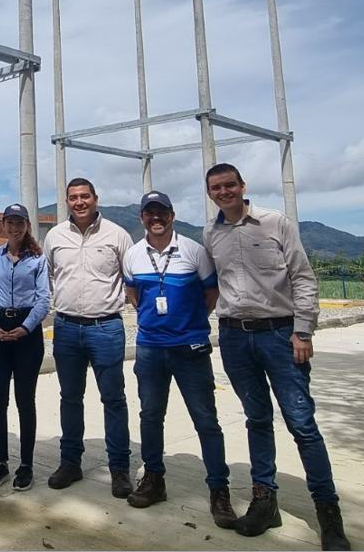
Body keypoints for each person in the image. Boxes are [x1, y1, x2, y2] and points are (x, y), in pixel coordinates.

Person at [203, 163, 350, 552]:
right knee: (257, 420)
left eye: (229, 185)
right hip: (234, 339)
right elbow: (214, 285)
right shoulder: (211, 232)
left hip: (281, 336)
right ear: (209, 193)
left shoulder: (275, 222)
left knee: (302, 423)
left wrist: (303, 330)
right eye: (216, 187)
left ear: (242, 186)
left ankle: (328, 514)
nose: (224, 192)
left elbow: (303, 277)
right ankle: (265, 499)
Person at [122, 190, 236, 528]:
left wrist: (190, 322)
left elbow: (211, 294)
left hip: (190, 348)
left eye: (162, 213)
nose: (156, 219)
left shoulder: (193, 251)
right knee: (150, 416)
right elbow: (133, 295)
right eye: (149, 213)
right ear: (142, 218)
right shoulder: (133, 255)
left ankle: (219, 489)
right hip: (150, 348)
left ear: (172, 215)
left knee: (206, 420)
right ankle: (154, 479)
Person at [43, 177, 135, 498]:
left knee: (113, 399)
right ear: (67, 201)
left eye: (85, 196)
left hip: (106, 328)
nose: (79, 202)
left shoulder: (117, 235)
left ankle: (120, 468)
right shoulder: (54, 236)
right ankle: (70, 463)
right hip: (66, 328)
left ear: (96, 198)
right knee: (70, 398)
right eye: (73, 197)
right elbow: (51, 276)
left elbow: (131, 277)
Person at [0, 204, 50, 492]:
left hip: (27, 331)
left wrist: (26, 328)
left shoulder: (38, 258)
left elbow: (44, 298)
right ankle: (0, 463)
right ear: (3, 225)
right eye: (10, 222)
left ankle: (26, 465)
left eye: (19, 223)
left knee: (25, 401)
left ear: (26, 226)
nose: (14, 228)